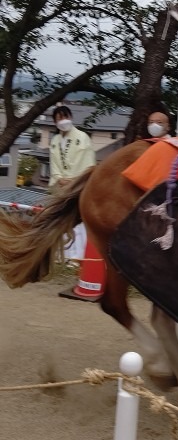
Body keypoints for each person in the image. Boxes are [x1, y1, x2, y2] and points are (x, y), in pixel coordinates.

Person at [49, 105, 97, 299]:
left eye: (65, 116)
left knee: (79, 223)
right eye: (59, 118)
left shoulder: (82, 137)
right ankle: (64, 255)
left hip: (78, 185)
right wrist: (59, 178)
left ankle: (77, 258)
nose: (63, 120)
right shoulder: (54, 141)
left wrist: (75, 180)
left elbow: (88, 162)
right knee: (62, 221)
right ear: (55, 121)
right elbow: (53, 163)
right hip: (62, 185)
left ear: (70, 117)